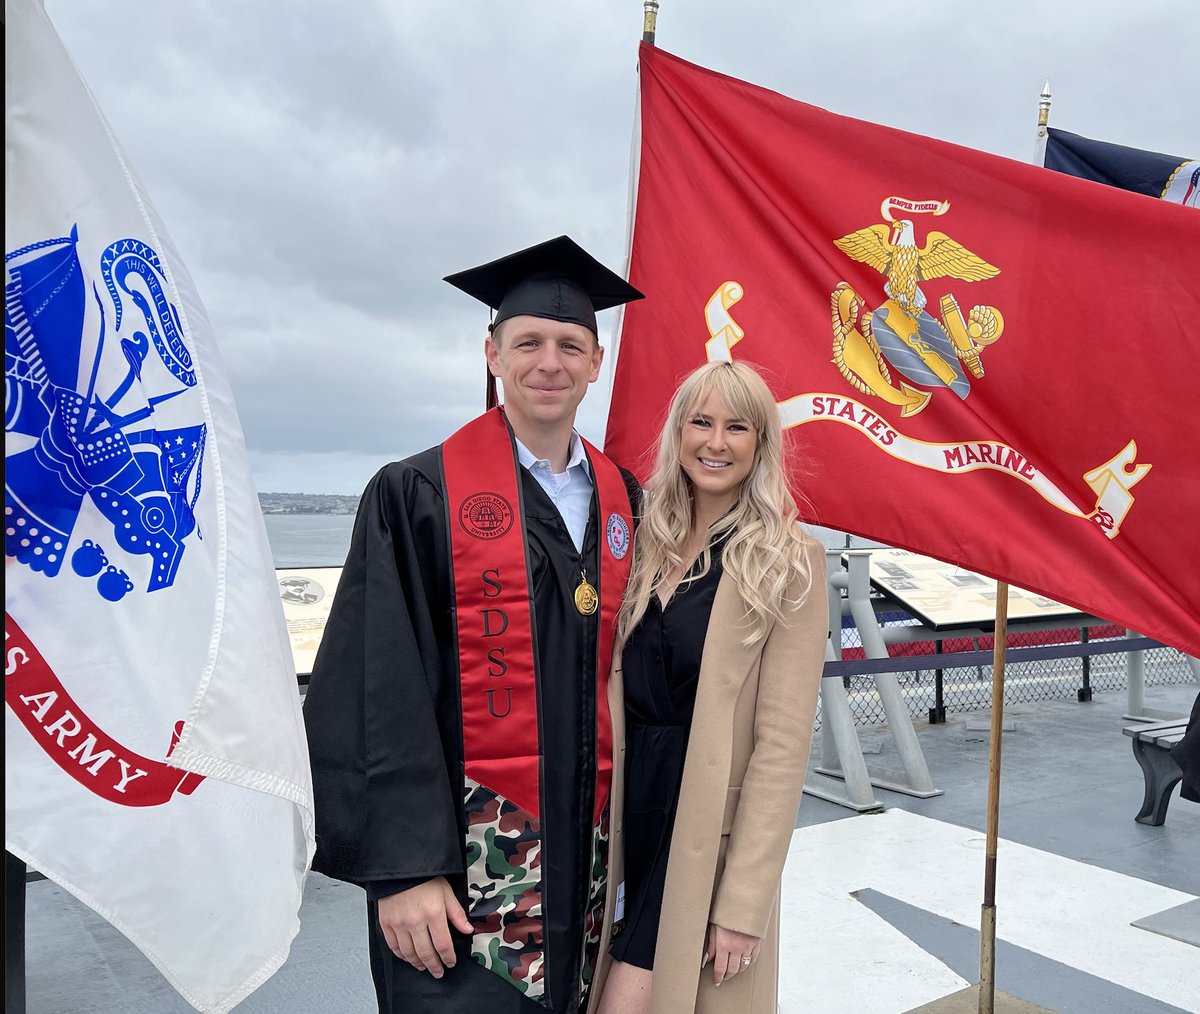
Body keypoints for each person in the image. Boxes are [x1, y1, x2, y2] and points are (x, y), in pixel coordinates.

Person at [302, 235, 644, 1014]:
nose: (548, 363)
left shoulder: (630, 502)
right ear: (492, 353)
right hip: (459, 878)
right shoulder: (415, 493)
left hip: (593, 864)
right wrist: (401, 871)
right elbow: (374, 684)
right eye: (528, 343)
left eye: (569, 345)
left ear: (597, 363)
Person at [592, 360, 828, 1014]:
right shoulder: (639, 543)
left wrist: (744, 902)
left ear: (761, 444)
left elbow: (781, 749)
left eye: (736, 427)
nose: (715, 442)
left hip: (699, 829)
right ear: (678, 432)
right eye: (700, 422)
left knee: (634, 997)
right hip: (621, 818)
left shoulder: (788, 562)